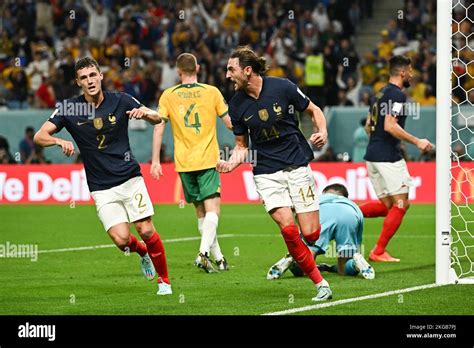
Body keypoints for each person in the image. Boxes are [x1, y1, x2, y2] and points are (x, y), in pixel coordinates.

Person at [33, 57, 172, 295]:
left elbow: (158, 118)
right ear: (78, 82)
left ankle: (165, 282)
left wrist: (145, 114)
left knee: (146, 229)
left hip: (130, 178)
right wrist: (57, 140)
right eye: (84, 77)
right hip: (101, 186)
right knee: (121, 241)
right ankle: (141, 252)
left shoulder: (120, 100)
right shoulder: (70, 108)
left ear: (101, 76)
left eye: (93, 75)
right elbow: (39, 136)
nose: (90, 81)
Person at [218, 46, 332, 301]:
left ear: (247, 71)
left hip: (296, 164)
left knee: (311, 233)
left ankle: (297, 253)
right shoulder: (235, 105)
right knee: (288, 229)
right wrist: (229, 164)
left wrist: (322, 131)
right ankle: (320, 283)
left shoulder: (283, 87)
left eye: (231, 69)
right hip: (266, 172)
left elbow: (313, 109)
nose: (227, 75)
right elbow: (241, 147)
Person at [151, 53, 233, 273]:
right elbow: (230, 123)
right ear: (198, 67)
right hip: (207, 159)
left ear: (178, 71)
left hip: (184, 163)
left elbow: (159, 126)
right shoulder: (212, 92)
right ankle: (203, 253)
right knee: (213, 211)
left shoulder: (168, 95)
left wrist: (156, 160)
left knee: (201, 214)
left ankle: (220, 258)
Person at [361, 55, 433, 262]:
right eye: (410, 70)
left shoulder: (379, 93)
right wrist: (417, 141)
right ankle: (378, 251)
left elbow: (369, 125)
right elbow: (390, 125)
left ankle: (346, 212)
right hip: (387, 157)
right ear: (402, 72)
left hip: (372, 154)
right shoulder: (398, 96)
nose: (412, 74)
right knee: (402, 204)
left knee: (387, 207)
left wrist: (380, 141)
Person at [267, 184, 375, 280]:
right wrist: (351, 253)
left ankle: (293, 261)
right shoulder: (352, 204)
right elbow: (359, 227)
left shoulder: (318, 198)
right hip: (349, 215)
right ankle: (356, 264)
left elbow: (298, 214)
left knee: (307, 263)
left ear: (324, 192)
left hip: (321, 212)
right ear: (345, 197)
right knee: (343, 267)